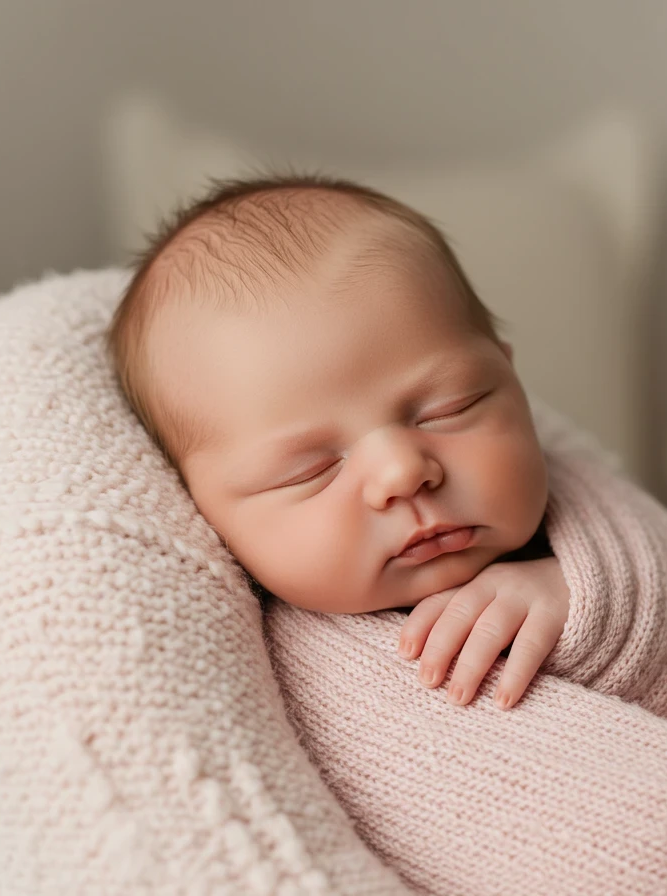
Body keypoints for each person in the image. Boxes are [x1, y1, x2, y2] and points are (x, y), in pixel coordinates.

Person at [108, 173, 590, 711]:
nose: (401, 472)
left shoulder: (589, 523)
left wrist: (578, 594)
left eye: (451, 408)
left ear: (509, 378)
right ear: (202, 511)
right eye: (309, 471)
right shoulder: (248, 671)